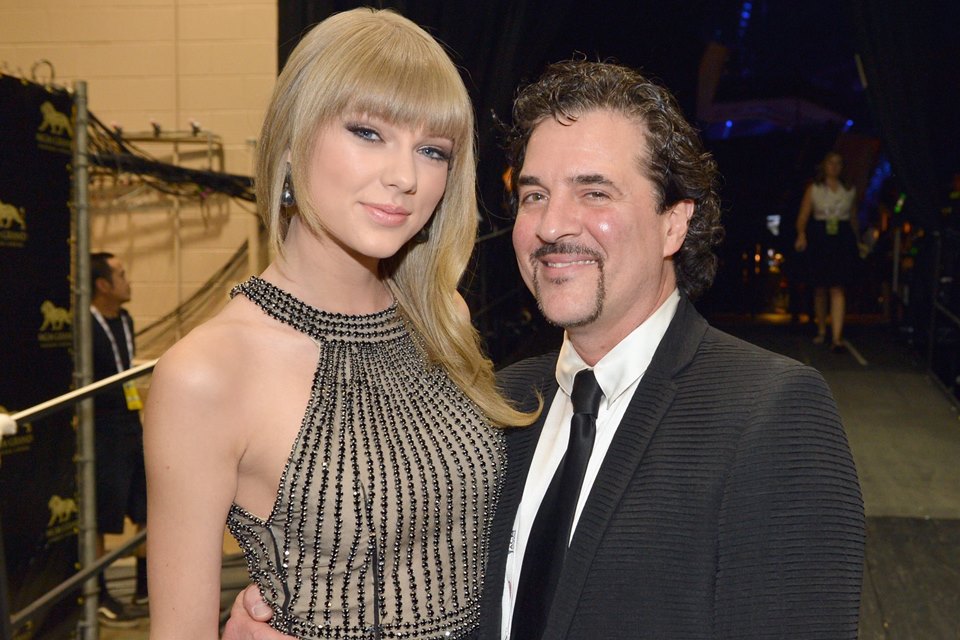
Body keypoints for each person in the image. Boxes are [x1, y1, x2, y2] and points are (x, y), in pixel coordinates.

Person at [227, 60, 866, 639]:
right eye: (535, 194)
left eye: (595, 192)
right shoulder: (496, 410)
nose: (553, 225)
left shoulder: (770, 412)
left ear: (675, 221)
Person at [143, 8, 535, 640]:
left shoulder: (444, 319)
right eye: (368, 132)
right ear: (292, 143)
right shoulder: (207, 373)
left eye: (432, 150)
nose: (405, 176)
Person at [89, 251, 149, 627]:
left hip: (131, 426)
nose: (128, 282)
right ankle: (98, 594)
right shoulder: (86, 325)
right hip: (101, 430)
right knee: (102, 517)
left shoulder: (124, 319)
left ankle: (144, 587)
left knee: (147, 510)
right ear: (102, 284)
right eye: (121, 275)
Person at [794, 150, 861, 353]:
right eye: (830, 163)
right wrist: (801, 234)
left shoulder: (849, 190)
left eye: (838, 163)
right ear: (824, 165)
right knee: (821, 287)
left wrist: (858, 241)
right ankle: (822, 329)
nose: (834, 167)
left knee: (838, 286)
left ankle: (836, 337)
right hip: (820, 236)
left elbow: (853, 218)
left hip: (841, 237)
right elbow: (803, 216)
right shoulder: (814, 189)